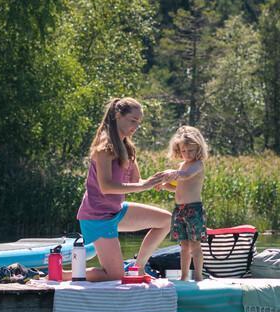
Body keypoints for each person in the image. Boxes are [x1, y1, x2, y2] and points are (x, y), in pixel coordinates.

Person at [76, 97, 177, 283]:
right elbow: (106, 187)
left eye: (139, 122)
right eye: (133, 120)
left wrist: (162, 181)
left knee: (166, 220)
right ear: (117, 116)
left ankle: (137, 267)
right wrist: (142, 186)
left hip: (116, 210)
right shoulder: (104, 147)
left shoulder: (128, 147)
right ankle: (63, 274)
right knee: (114, 276)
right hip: (97, 216)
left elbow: (136, 181)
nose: (136, 126)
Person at [162, 126, 209, 281]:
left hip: (193, 210)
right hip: (179, 210)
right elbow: (177, 187)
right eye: (183, 151)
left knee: (195, 245)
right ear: (178, 150)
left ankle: (198, 275)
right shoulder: (182, 165)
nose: (187, 154)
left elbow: (186, 176)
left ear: (198, 149)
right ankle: (183, 276)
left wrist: (172, 173)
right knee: (183, 246)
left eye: (190, 151)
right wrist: (163, 185)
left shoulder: (197, 165)